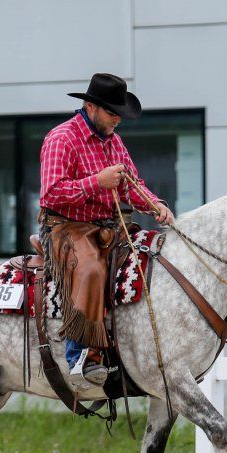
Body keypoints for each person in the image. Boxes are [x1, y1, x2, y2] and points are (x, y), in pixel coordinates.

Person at [38, 73, 174, 389]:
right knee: (90, 269)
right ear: (91, 106)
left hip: (107, 227)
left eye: (119, 114)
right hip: (65, 226)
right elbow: (51, 193)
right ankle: (80, 355)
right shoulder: (62, 139)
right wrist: (97, 182)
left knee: (151, 258)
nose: (118, 120)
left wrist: (155, 205)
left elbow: (131, 185)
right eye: (113, 113)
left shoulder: (113, 142)